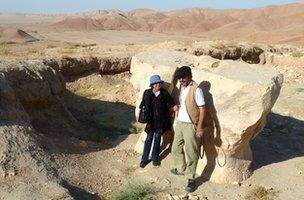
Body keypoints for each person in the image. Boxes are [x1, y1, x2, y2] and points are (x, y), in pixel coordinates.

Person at [171, 66, 206, 192]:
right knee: (175, 148)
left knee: (192, 152)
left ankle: (191, 178)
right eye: (179, 79)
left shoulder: (197, 90)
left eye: (183, 78)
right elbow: (186, 103)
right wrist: (177, 107)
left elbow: (202, 109)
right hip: (180, 122)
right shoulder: (182, 86)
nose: (181, 81)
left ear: (190, 76)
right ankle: (181, 169)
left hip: (191, 125)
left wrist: (200, 127)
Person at [138, 74, 176, 168]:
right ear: (153, 85)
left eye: (160, 83)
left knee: (157, 139)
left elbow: (171, 103)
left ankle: (155, 158)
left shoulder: (164, 93)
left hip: (160, 122)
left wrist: (174, 108)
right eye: (157, 83)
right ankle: (144, 159)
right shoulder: (147, 93)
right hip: (151, 122)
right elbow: (142, 104)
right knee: (148, 140)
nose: (159, 85)